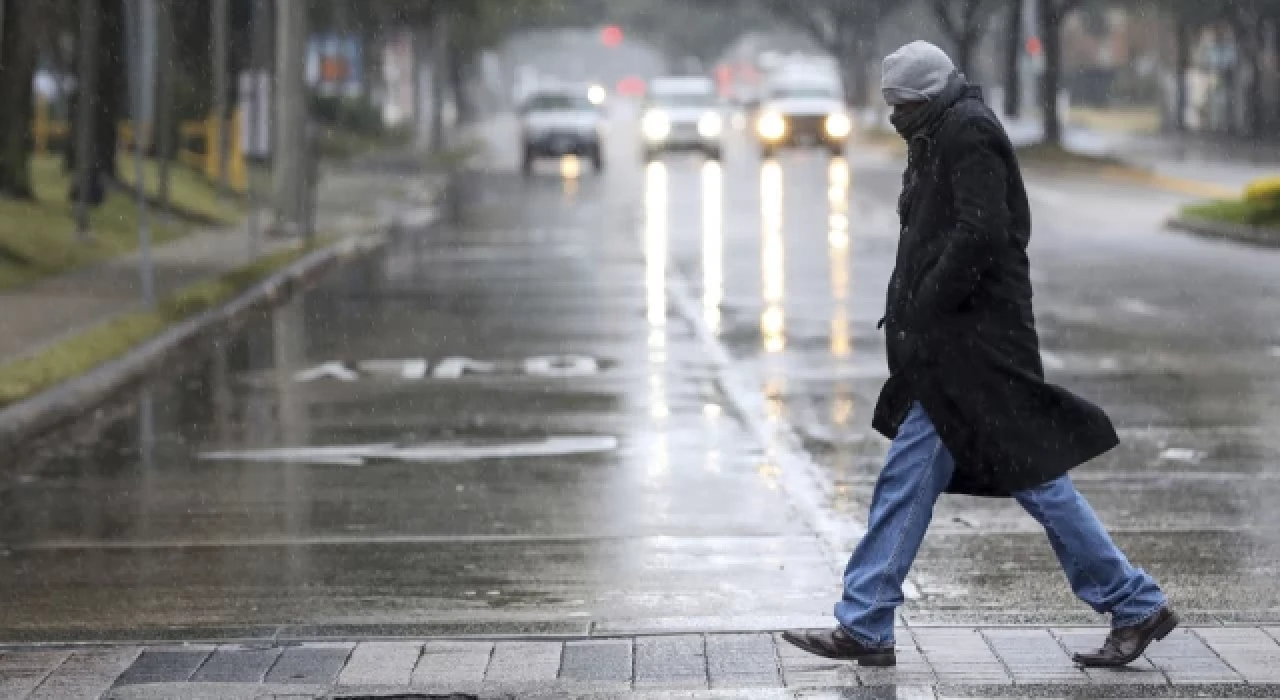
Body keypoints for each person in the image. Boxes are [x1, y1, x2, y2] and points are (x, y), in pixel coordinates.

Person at [782, 41, 1176, 669]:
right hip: (953, 350)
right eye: (888, 105)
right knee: (942, 480)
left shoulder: (966, 133)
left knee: (1025, 480)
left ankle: (1133, 602)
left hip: (976, 350)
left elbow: (983, 232)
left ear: (929, 95)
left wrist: (928, 303)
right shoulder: (940, 131)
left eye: (901, 104)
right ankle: (867, 621)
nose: (894, 115)